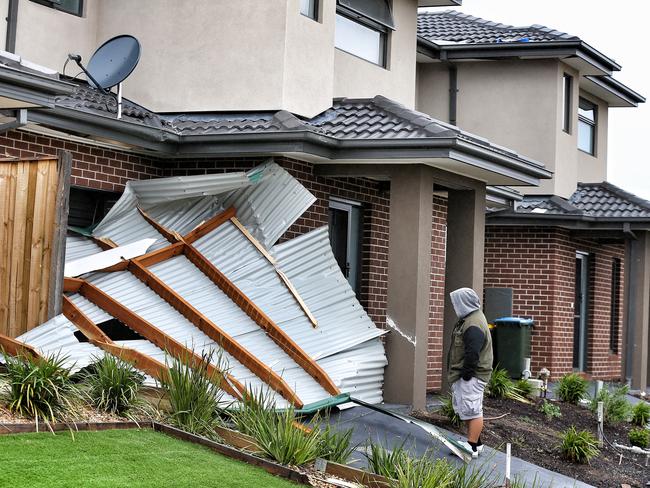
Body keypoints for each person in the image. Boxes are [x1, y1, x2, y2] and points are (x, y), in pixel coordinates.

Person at [447, 287, 493, 458]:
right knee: (469, 409)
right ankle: (477, 443)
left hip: (472, 376)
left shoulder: (473, 323)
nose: (454, 306)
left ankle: (471, 446)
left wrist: (466, 374)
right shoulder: (471, 319)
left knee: (473, 411)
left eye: (455, 303)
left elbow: (473, 351)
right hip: (470, 376)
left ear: (463, 303)